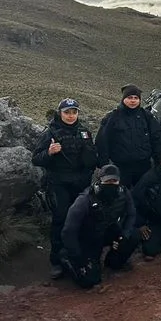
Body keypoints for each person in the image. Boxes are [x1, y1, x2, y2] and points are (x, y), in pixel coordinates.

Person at [32, 98, 98, 279]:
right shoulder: (50, 132)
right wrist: (50, 152)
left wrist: (90, 156)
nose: (70, 116)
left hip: (81, 183)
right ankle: (56, 260)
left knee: (84, 219)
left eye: (74, 112)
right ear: (60, 113)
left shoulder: (84, 132)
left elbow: (93, 158)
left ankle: (80, 255)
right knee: (60, 220)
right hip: (59, 184)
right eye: (67, 112)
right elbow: (36, 158)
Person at [59, 165, 139, 289]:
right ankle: (66, 258)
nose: (111, 184)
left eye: (114, 181)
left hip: (108, 231)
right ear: (99, 182)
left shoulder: (123, 193)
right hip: (88, 238)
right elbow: (68, 231)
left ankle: (112, 261)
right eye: (107, 181)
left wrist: (124, 235)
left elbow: (131, 214)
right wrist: (77, 256)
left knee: (132, 236)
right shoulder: (84, 200)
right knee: (90, 280)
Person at [96, 84, 161, 188]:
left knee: (144, 197)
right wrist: (104, 166)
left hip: (144, 166)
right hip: (120, 167)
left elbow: (157, 138)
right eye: (129, 97)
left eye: (136, 98)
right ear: (123, 99)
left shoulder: (146, 116)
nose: (133, 101)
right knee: (122, 198)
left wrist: (159, 161)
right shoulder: (112, 117)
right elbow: (102, 141)